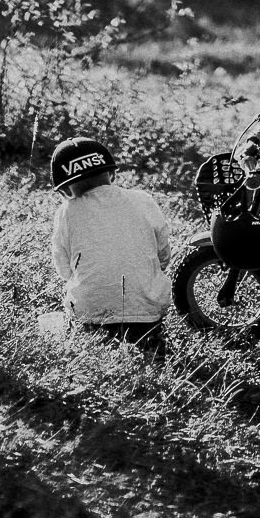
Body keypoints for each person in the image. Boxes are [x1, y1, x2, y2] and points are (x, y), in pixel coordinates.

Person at [49, 134, 171, 360]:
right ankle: (150, 343)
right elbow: (163, 251)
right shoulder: (143, 200)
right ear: (113, 174)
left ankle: (89, 342)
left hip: (91, 314)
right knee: (148, 342)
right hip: (147, 311)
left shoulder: (66, 212)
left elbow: (63, 268)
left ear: (64, 191)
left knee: (71, 334)